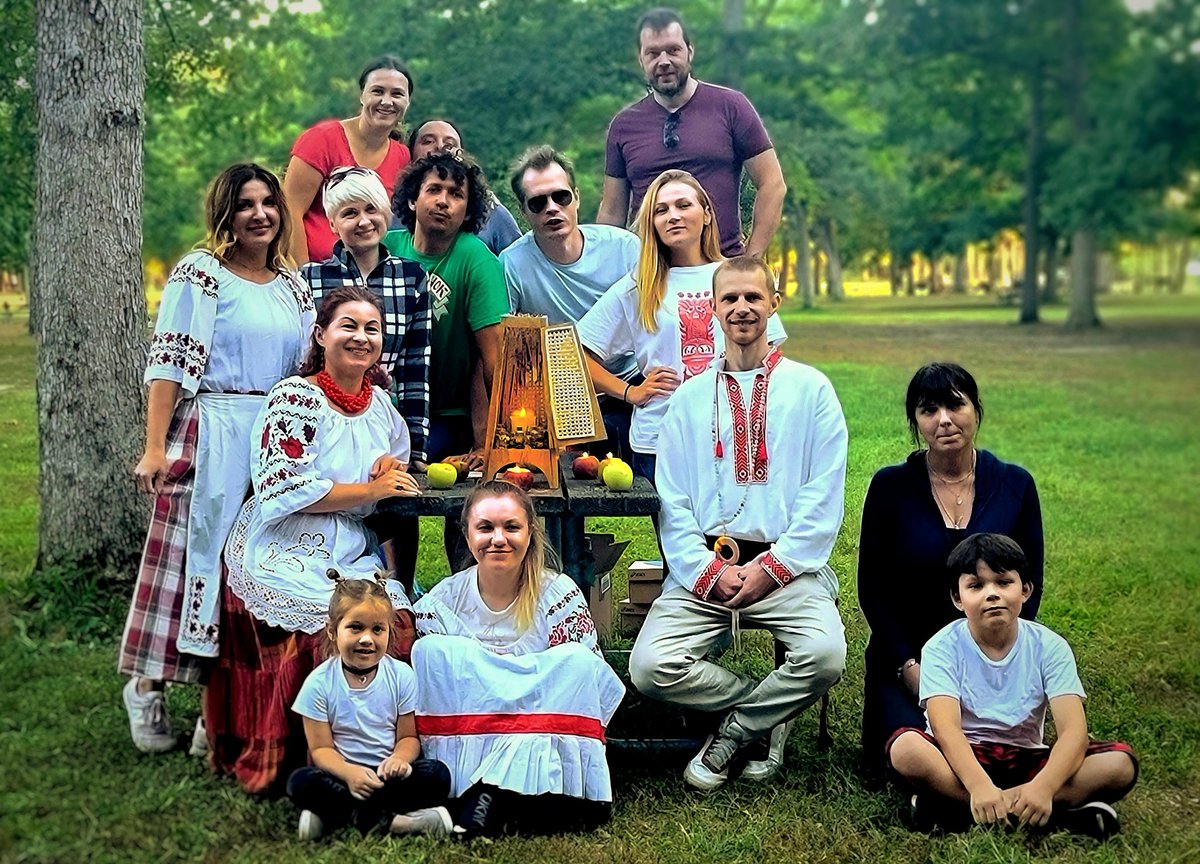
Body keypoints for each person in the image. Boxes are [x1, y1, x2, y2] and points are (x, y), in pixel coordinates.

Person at [629, 256, 847, 792]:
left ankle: (737, 729)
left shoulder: (812, 389)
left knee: (825, 656)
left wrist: (773, 568)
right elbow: (672, 501)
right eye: (730, 299)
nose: (742, 308)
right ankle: (766, 710)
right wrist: (707, 572)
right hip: (707, 572)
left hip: (788, 569)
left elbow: (823, 495)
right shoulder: (688, 399)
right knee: (650, 666)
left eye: (753, 297)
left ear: (774, 304)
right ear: (713, 309)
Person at [119, 163, 315, 755]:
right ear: (225, 214)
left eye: (269, 203)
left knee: (245, 569)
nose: (260, 214)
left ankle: (219, 706)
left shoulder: (292, 285)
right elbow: (169, 365)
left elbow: (305, 367)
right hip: (210, 430)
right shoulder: (201, 276)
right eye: (245, 204)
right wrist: (155, 447)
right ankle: (146, 687)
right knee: (187, 561)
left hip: (272, 437)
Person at [207, 286, 419, 794]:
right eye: (349, 326)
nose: (361, 337)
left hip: (347, 541)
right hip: (286, 537)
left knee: (394, 623)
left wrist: (386, 467)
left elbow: (395, 457)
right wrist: (369, 490)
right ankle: (309, 761)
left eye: (372, 328)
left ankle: (377, 754)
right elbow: (283, 488)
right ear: (321, 336)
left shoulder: (380, 405)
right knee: (322, 626)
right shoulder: (296, 399)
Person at [857, 362, 1045, 778]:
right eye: (929, 410)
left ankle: (955, 796)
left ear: (975, 409)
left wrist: (998, 661)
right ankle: (973, 791)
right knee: (906, 752)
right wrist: (909, 667)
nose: (944, 420)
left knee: (996, 749)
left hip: (992, 656)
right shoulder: (890, 487)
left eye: (955, 405)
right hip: (910, 659)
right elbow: (872, 588)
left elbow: (1030, 585)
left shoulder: (1016, 485)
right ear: (916, 421)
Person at [887, 533, 1138, 838]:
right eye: (976, 586)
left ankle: (958, 811)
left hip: (1028, 760)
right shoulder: (942, 647)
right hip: (962, 759)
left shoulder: (1050, 646)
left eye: (1004, 582)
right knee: (906, 749)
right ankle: (1050, 816)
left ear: (1025, 590)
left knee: (1119, 765)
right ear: (957, 598)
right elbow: (946, 729)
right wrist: (979, 785)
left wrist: (1044, 787)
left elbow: (1074, 733)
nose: (992, 594)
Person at [412, 481, 625, 837]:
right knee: (431, 652)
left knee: (577, 660)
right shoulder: (444, 601)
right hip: (478, 724)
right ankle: (500, 801)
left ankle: (475, 802)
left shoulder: (558, 593)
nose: (498, 539)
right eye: (485, 528)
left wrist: (507, 686)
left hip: (537, 731)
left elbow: (587, 684)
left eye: (511, 527)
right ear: (467, 535)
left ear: (530, 532)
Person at [578, 169, 786, 486]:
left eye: (683, 205)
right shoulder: (639, 286)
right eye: (661, 210)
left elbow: (770, 357)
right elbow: (575, 352)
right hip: (661, 441)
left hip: (733, 436)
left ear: (706, 214)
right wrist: (630, 392)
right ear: (652, 223)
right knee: (672, 522)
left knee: (737, 519)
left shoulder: (736, 276)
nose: (672, 216)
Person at [596, 7, 785, 257]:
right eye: (653, 53)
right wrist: (605, 269)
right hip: (650, 270)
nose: (664, 61)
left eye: (673, 50)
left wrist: (751, 261)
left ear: (690, 51)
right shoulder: (623, 126)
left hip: (721, 267)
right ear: (641, 60)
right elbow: (612, 212)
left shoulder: (731, 106)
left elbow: (772, 183)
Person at [501, 144, 641, 460]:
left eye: (561, 197)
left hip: (630, 380)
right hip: (559, 396)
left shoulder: (624, 249)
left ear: (576, 197)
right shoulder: (511, 264)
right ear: (523, 212)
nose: (552, 208)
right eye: (538, 202)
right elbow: (508, 351)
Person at [287, 575, 452, 840]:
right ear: (332, 630)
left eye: (377, 629)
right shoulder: (318, 683)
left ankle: (336, 815)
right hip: (343, 775)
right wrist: (350, 773)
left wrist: (399, 760)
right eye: (355, 628)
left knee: (437, 775)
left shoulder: (401, 676)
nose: (367, 639)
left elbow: (408, 737)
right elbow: (320, 750)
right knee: (300, 781)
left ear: (389, 631)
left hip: (388, 776)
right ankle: (398, 823)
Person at [384, 150, 507, 467]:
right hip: (384, 406)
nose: (443, 201)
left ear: (467, 212)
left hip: (449, 414)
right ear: (413, 200)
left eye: (456, 194)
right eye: (434, 189)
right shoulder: (386, 248)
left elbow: (494, 358)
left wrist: (492, 443)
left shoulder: (477, 260)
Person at [284, 56, 414, 264]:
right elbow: (290, 210)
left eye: (397, 94)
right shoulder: (321, 140)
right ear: (362, 95)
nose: (386, 101)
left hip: (367, 273)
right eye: (377, 91)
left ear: (407, 101)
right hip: (316, 270)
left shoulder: (402, 156)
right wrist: (303, 273)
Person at [407, 119, 522, 255]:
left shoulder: (492, 211)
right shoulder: (393, 213)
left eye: (450, 144)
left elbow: (517, 259)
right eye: (428, 141)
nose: (440, 146)